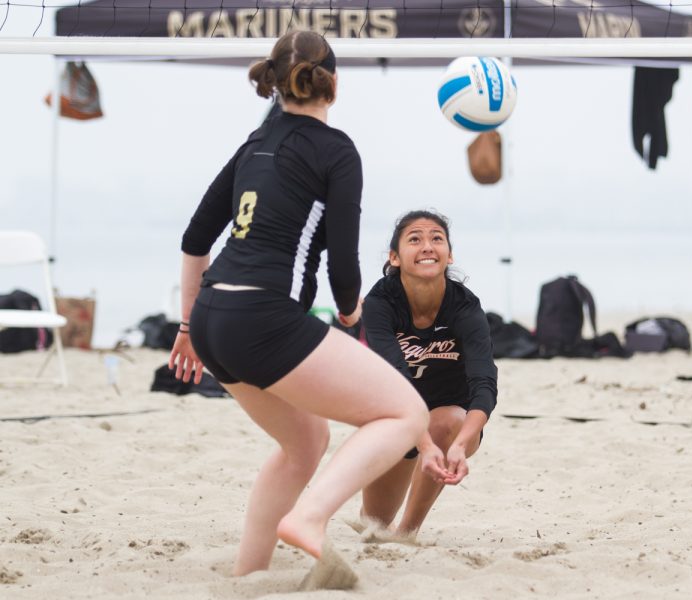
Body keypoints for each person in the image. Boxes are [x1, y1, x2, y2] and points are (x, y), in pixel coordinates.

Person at [166, 31, 429, 589]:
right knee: (406, 413)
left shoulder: (254, 143)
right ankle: (310, 517)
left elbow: (194, 239)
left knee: (305, 442)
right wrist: (354, 318)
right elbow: (342, 269)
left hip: (213, 317)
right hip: (263, 319)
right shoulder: (337, 150)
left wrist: (188, 325)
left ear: (275, 82)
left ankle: (250, 573)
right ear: (334, 84)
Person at [358, 210, 498, 540]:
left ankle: (408, 533)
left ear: (449, 254)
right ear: (395, 257)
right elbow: (396, 378)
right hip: (397, 417)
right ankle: (382, 520)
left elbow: (484, 383)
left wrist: (460, 445)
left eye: (437, 238)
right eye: (415, 239)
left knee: (446, 422)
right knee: (374, 521)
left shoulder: (464, 306)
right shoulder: (380, 302)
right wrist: (421, 442)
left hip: (450, 422)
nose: (427, 245)